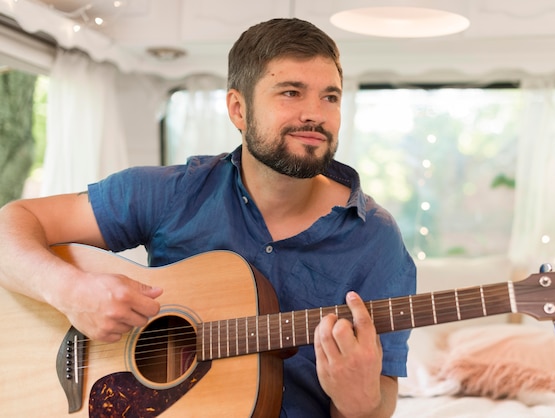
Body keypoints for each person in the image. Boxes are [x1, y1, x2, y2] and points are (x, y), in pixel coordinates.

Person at [0, 18, 416, 418]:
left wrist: (359, 402)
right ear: (238, 108)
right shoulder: (171, 192)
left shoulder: (377, 239)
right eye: (291, 92)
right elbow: (10, 227)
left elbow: (378, 403)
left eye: (330, 96)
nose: (316, 114)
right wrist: (72, 292)